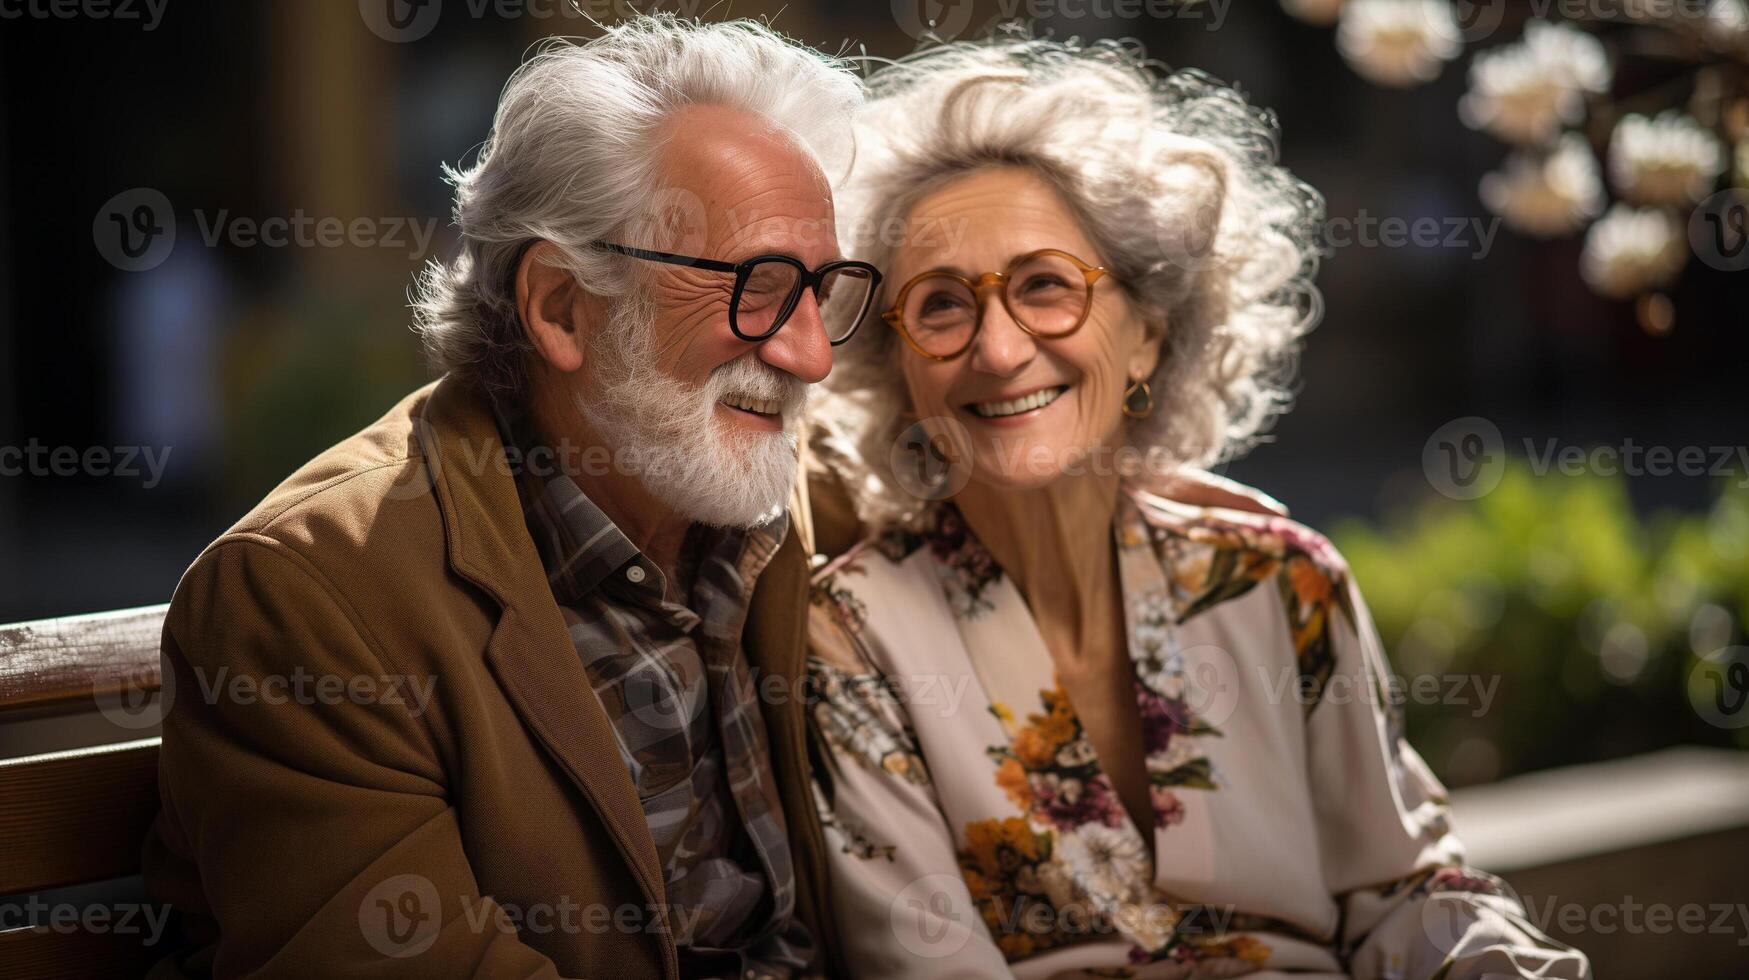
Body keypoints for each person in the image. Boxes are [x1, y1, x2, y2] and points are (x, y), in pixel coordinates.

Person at [802, 35, 1591, 979]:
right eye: (939, 306)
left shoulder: (1276, 577)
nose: (1000, 350)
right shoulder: (850, 634)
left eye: (1045, 287)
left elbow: (1398, 893)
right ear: (896, 369)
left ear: (1146, 334)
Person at [142, 16, 874, 978]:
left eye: (822, 289)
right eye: (759, 286)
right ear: (562, 306)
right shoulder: (310, 601)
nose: (811, 354)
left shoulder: (778, 495)